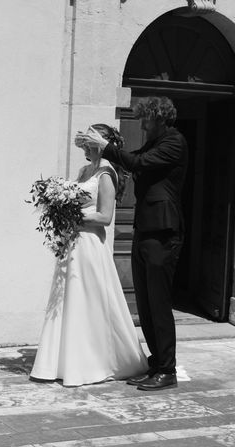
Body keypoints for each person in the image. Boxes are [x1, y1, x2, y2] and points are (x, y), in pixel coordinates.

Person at [29, 124, 148, 387]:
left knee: (90, 299)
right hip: (72, 243)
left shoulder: (107, 173)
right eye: (82, 141)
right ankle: (62, 362)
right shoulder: (85, 171)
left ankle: (95, 360)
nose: (84, 146)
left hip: (91, 244)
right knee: (69, 299)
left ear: (99, 143)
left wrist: (72, 214)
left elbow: (105, 217)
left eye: (88, 141)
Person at [83, 97, 188, 391]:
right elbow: (129, 159)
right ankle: (156, 363)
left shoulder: (174, 142)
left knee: (159, 302)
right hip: (146, 228)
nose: (142, 124)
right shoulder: (155, 143)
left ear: (159, 118)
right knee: (144, 302)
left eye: (146, 119)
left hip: (164, 232)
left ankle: (168, 370)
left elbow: (138, 162)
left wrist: (105, 146)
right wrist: (99, 150)